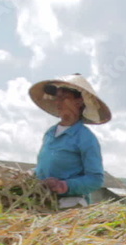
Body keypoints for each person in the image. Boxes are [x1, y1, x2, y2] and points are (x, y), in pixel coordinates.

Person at [28, 73, 110, 210]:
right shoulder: (50, 133)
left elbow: (95, 179)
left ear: (79, 102)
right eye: (57, 98)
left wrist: (64, 185)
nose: (57, 102)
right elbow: (45, 167)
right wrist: (31, 174)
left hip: (70, 206)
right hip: (43, 202)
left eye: (64, 98)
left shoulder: (85, 138)